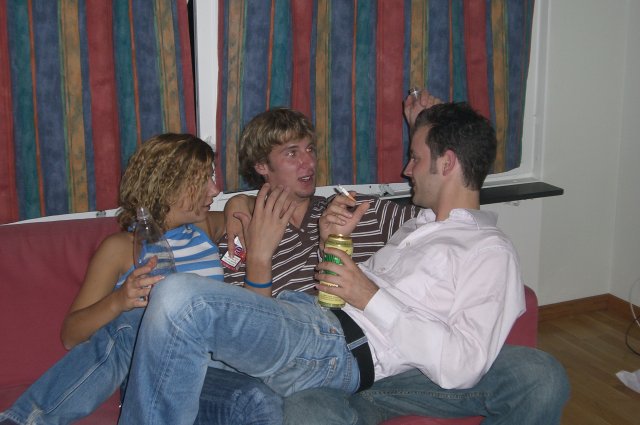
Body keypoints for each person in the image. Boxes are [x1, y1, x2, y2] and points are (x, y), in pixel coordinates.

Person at [117, 102, 569, 424]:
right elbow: (247, 323)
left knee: (178, 300)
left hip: (340, 346)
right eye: (291, 153)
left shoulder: (393, 219)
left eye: (309, 149)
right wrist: (261, 248)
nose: (405, 170)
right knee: (154, 323)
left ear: (445, 163)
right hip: (316, 338)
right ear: (262, 167)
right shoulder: (415, 229)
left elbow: (459, 177)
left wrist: (360, 284)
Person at [0, 134, 282, 425]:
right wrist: (120, 301)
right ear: (169, 186)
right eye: (203, 180)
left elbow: (265, 204)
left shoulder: (203, 227)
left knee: (260, 401)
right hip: (154, 371)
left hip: (213, 370)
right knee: (136, 319)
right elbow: (71, 335)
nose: (215, 189)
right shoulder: (120, 248)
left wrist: (238, 201)